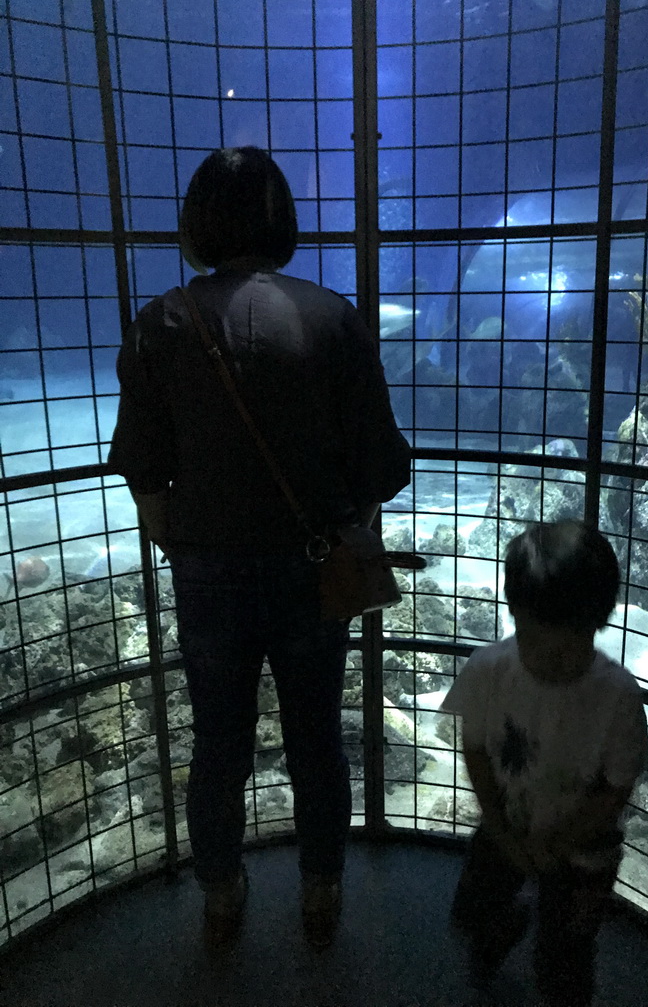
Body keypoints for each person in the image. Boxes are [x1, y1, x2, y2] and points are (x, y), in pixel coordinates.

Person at [107, 147, 411, 946]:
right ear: (284, 220)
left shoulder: (160, 323)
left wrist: (180, 537)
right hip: (315, 572)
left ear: (197, 223)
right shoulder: (333, 316)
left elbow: (144, 473)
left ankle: (220, 890)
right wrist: (344, 528)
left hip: (207, 573)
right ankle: (321, 888)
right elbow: (382, 465)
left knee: (217, 742)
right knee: (317, 737)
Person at [440, 519, 648, 1006]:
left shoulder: (618, 697)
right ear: (514, 613)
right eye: (538, 642)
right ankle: (502, 931)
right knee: (471, 912)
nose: (553, 660)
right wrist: (499, 828)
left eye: (569, 644)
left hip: (583, 854)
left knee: (566, 962)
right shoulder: (488, 671)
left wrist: (558, 843)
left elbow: (616, 788)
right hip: (505, 828)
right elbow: (473, 749)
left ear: (599, 622)